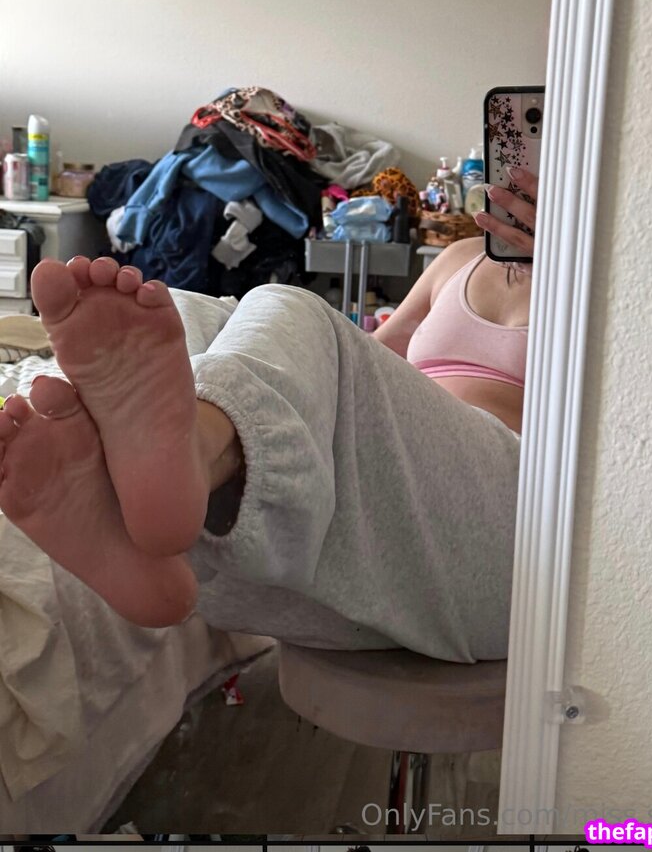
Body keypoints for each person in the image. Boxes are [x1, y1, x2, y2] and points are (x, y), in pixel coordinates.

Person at [0, 169, 537, 663]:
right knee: (201, 315)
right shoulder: (458, 257)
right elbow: (372, 358)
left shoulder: (588, 285)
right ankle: (137, 523)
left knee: (293, 311)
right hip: (397, 500)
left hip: (512, 518)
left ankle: (189, 457)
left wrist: (572, 266)